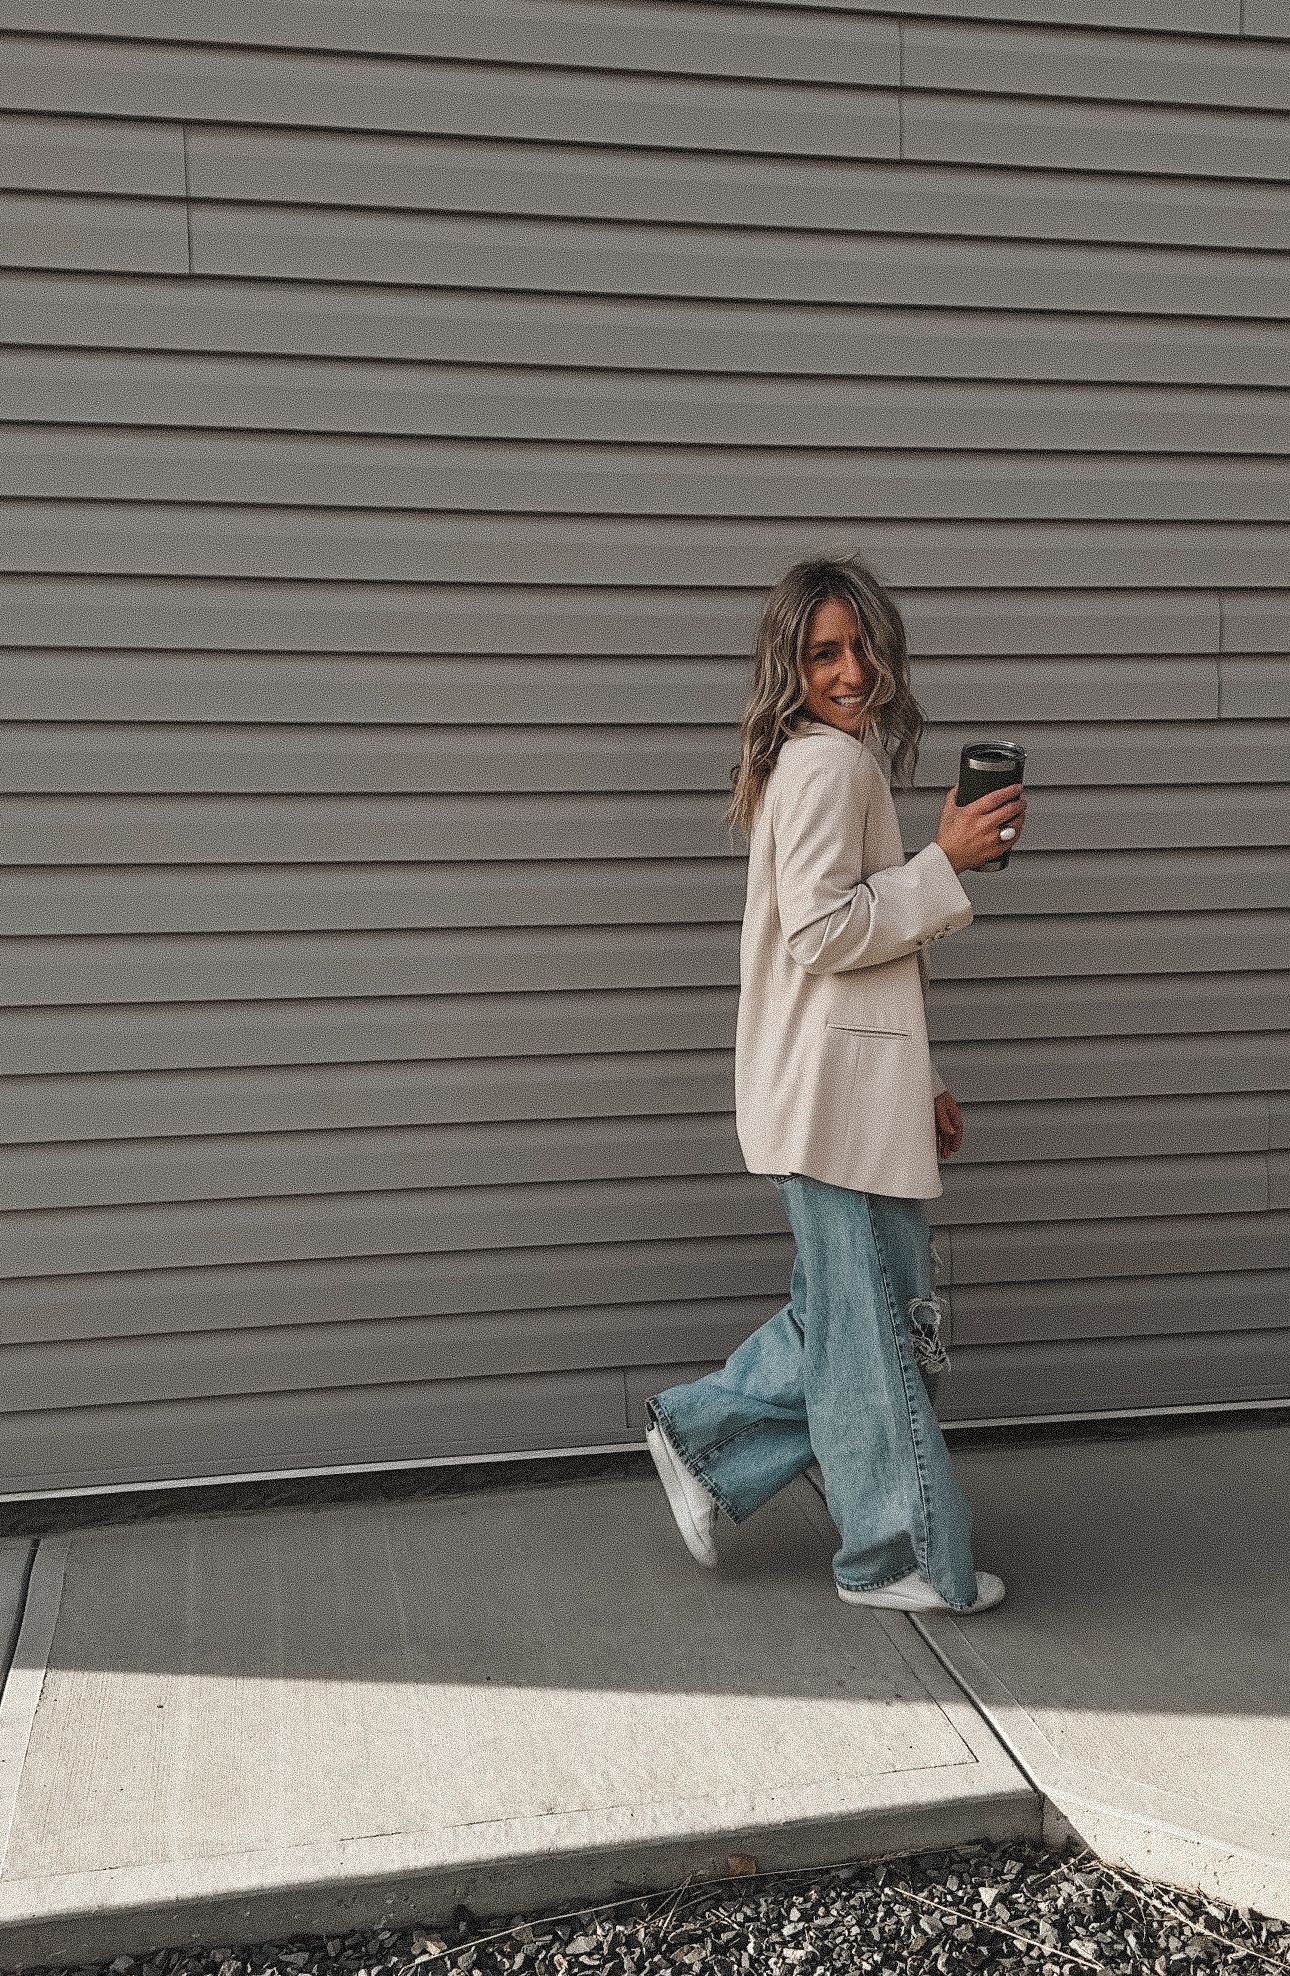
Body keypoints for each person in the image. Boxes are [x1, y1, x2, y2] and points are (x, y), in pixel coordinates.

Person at [644, 554, 1028, 1615]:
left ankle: (702, 1439)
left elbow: (863, 959)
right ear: (791, 667)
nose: (851, 670)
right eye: (824, 654)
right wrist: (944, 860)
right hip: (833, 1108)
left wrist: (924, 1078)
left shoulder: (824, 760)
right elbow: (822, 933)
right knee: (875, 1334)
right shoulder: (828, 769)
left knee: (846, 1322)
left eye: (861, 647)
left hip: (841, 1096)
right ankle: (892, 1556)